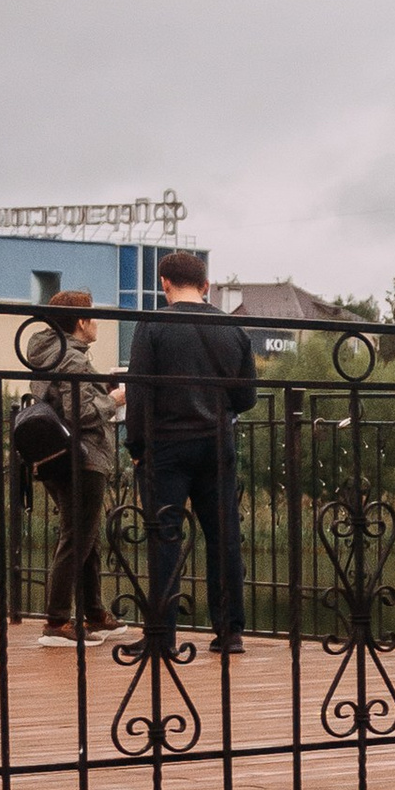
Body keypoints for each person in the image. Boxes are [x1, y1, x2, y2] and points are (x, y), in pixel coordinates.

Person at [119, 250, 254, 661]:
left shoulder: (154, 324)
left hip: (167, 447)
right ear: (206, 285)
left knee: (164, 538)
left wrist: (137, 448)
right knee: (224, 537)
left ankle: (163, 635)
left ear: (164, 284)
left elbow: (140, 391)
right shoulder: (232, 330)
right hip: (216, 445)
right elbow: (246, 397)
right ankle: (229, 632)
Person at [21, 294, 117, 643]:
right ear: (79, 321)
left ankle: (93, 613)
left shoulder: (48, 354)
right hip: (84, 456)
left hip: (56, 456)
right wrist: (114, 400)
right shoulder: (72, 358)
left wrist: (98, 388)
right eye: (92, 316)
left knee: (85, 536)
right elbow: (82, 413)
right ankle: (58, 620)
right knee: (77, 537)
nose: (96, 323)